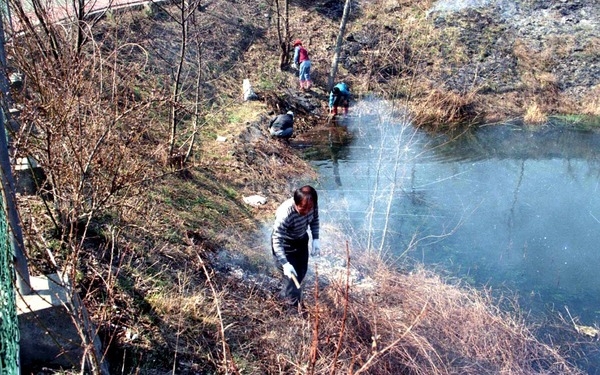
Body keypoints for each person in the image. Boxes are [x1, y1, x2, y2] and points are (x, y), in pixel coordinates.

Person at [271, 185, 320, 309]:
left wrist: (316, 238)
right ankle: (290, 312)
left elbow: (314, 220)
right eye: (303, 208)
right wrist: (285, 263)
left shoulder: (311, 204)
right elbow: (276, 240)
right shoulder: (285, 214)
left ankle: (289, 299)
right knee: (292, 281)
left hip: (301, 241)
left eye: (309, 208)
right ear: (296, 203)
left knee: (301, 273)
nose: (306, 211)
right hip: (285, 245)